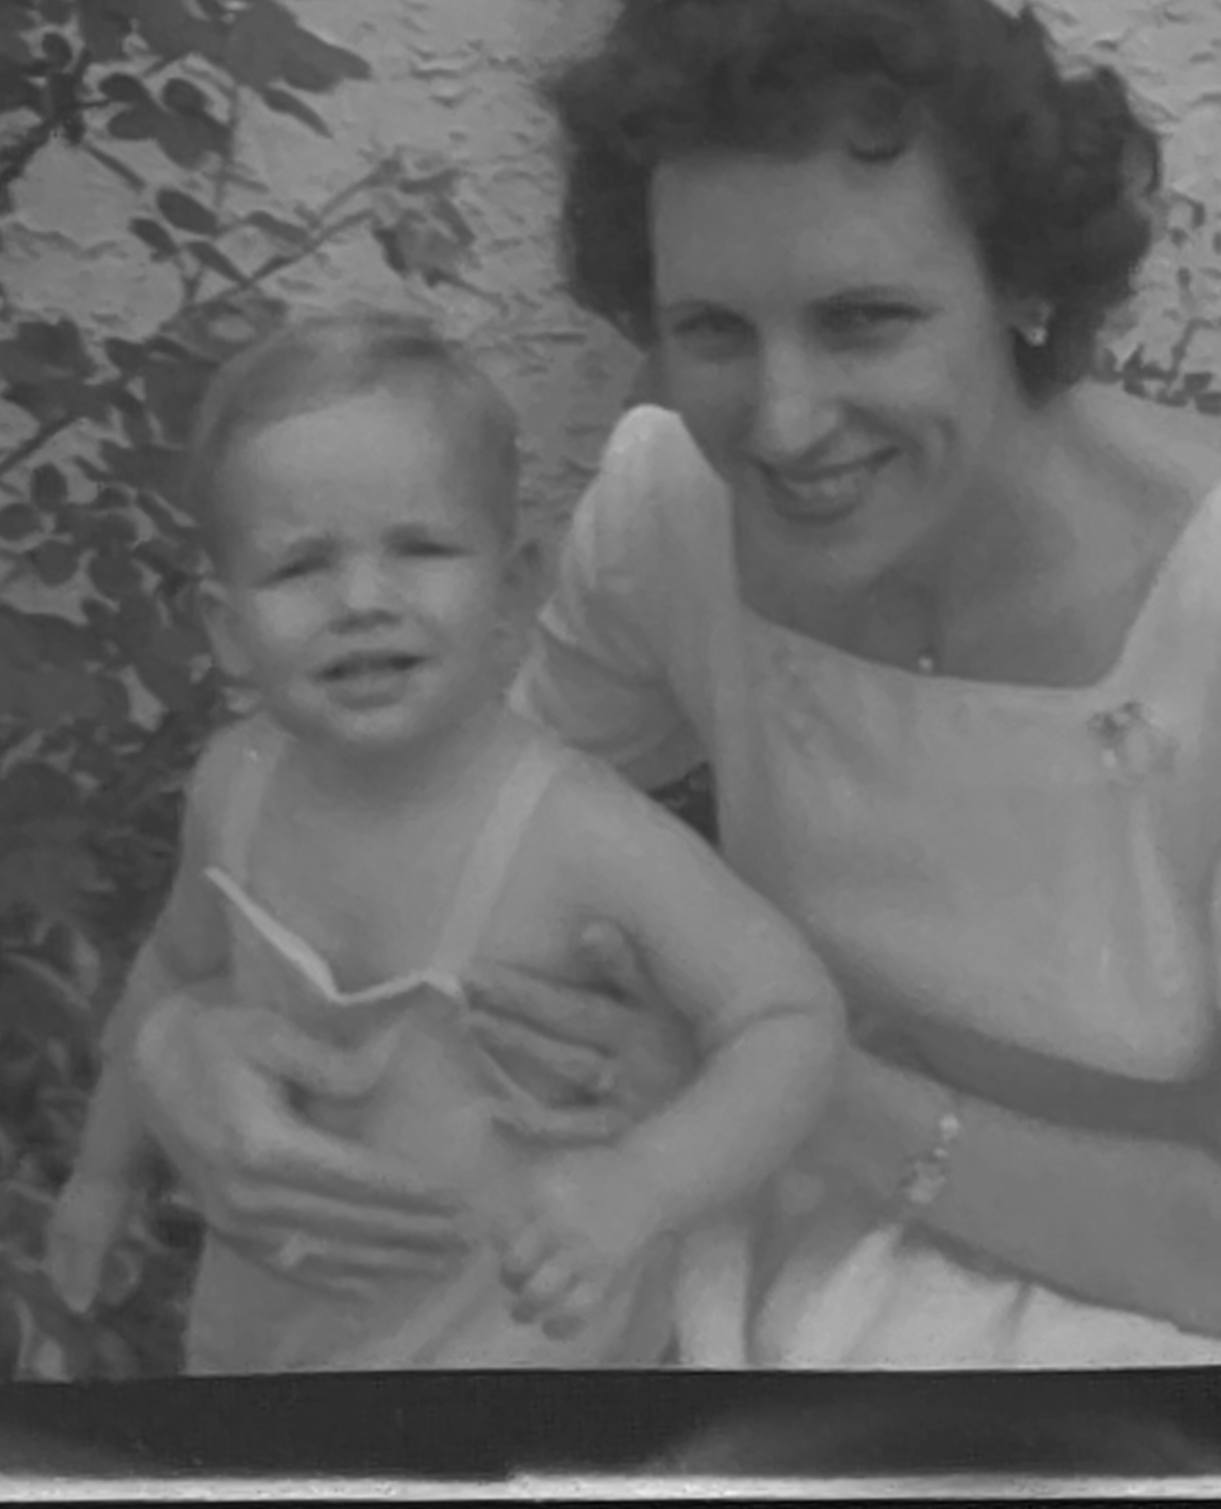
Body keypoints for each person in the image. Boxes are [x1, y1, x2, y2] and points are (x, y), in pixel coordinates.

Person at [128, 0, 1221, 1365]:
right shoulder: (669, 512)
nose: (780, 424)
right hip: (824, 1214)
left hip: (1217, 1279)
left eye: (862, 321)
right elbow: (441, 828)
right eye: (714, 330)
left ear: (1026, 285)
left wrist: (788, 1094)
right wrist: (182, 1039)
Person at [43, 310, 844, 1371]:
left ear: (513, 588)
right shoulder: (234, 788)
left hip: (520, 1370)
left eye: (419, 548)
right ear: (228, 627)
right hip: (277, 1343)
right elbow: (170, 975)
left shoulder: (577, 834)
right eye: (299, 568)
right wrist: (102, 1175)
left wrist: (640, 1184)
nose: (362, 602)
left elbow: (790, 1017)